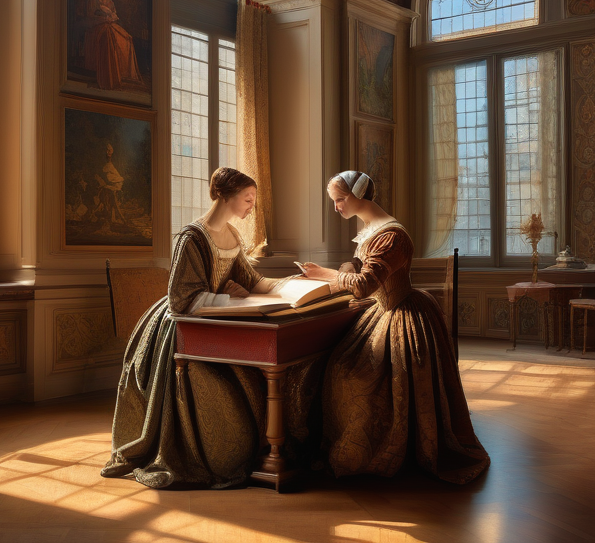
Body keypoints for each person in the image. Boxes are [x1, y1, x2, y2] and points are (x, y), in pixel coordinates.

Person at [101, 167, 316, 488]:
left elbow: (251, 281)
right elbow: (181, 299)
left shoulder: (231, 235)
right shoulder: (192, 237)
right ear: (226, 196)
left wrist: (295, 285)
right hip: (183, 326)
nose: (250, 207)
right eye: (247, 199)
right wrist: (224, 297)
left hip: (217, 318)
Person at [302, 171, 490, 485]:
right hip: (381, 311)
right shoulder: (371, 230)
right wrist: (342, 269)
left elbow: (364, 285)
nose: (335, 207)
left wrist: (327, 274)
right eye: (333, 201)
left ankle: (387, 446)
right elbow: (361, 269)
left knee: (350, 372)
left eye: (340, 199)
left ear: (359, 194)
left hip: (402, 314)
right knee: (339, 365)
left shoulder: (392, 235)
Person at [84, 0, 144, 91]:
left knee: (127, 38)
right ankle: (111, 74)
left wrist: (112, 16)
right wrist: (106, 17)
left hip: (109, 23)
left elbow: (114, 13)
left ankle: (126, 74)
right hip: (97, 25)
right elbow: (91, 14)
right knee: (110, 36)